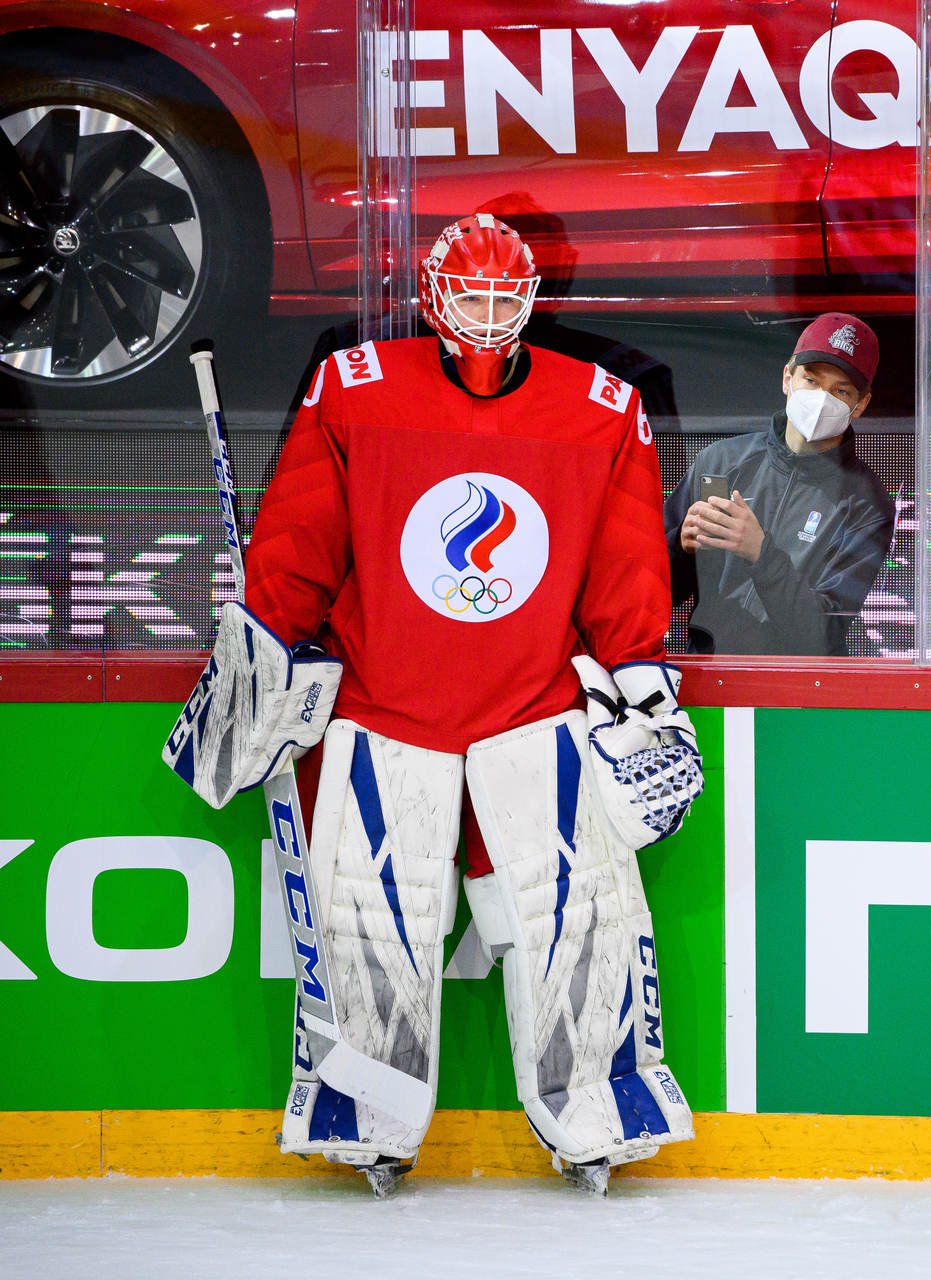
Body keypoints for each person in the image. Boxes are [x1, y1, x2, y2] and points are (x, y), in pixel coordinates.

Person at [160, 214, 702, 1196]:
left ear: (532, 300)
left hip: (537, 710)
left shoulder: (602, 406)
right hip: (384, 708)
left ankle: (599, 1109)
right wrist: (262, 650)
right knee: (370, 923)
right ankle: (365, 1112)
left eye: (505, 296)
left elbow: (627, 569)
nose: (488, 317)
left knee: (581, 918)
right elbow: (300, 540)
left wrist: (642, 685)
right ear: (431, 297)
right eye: (471, 295)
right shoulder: (356, 387)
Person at [664, 313, 896, 655]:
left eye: (840, 390)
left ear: (860, 405)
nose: (822, 399)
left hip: (797, 685)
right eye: (811, 380)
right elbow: (648, 593)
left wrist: (760, 553)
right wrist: (680, 547)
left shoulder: (867, 503)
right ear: (788, 378)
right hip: (707, 675)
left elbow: (823, 634)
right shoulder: (721, 462)